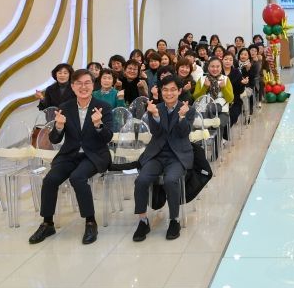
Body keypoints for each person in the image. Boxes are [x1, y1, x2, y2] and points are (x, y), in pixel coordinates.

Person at [29, 69, 113, 245]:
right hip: (70, 154)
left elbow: (107, 138)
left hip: (94, 154)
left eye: (87, 83)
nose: (83, 87)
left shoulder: (103, 107)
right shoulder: (65, 107)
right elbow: (54, 139)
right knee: (50, 180)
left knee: (77, 177)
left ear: (93, 85)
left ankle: (90, 222)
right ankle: (47, 223)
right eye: (79, 83)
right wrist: (59, 127)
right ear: (73, 87)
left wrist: (98, 124)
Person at [132, 76, 196, 242]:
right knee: (141, 180)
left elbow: (183, 133)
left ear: (179, 91)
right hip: (157, 154)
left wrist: (182, 117)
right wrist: (155, 116)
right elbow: (156, 132)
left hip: (177, 156)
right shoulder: (155, 107)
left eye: (173, 89)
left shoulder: (187, 109)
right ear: (160, 91)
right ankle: (143, 221)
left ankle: (174, 220)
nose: (169, 93)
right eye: (165, 90)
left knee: (171, 180)